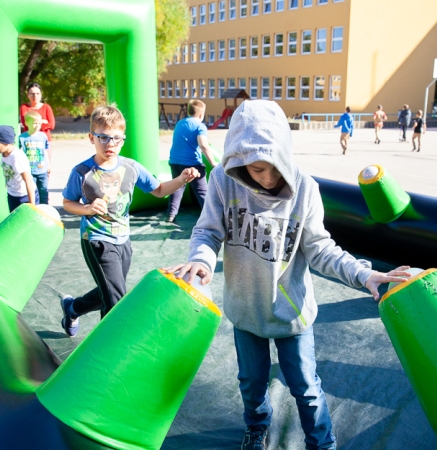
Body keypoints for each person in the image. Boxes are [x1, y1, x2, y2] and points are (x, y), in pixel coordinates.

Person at [164, 100, 411, 450]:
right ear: (239, 162)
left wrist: (363, 274)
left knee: (306, 387)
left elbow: (321, 249)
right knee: (251, 383)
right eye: (255, 169)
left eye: (272, 168)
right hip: (246, 310)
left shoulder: (306, 189)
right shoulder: (223, 180)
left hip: (292, 313)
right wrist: (201, 260)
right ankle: (257, 427)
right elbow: (207, 232)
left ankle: (321, 442)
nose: (266, 178)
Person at [58, 104, 200, 337]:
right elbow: (67, 202)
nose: (110, 144)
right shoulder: (82, 172)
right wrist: (86, 208)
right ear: (91, 137)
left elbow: (160, 190)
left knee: (111, 290)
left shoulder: (131, 167)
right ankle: (107, 353)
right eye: (103, 138)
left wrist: (182, 179)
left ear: (123, 139)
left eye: (116, 138)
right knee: (115, 301)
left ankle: (73, 308)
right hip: (97, 240)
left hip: (123, 240)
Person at [166, 99, 218, 223]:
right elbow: (203, 145)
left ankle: (171, 215)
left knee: (176, 188)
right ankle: (211, 217)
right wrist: (213, 162)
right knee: (202, 191)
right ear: (201, 114)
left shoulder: (180, 123)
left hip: (175, 161)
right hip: (192, 164)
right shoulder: (200, 126)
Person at [0, 125, 38, 212]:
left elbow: (28, 181)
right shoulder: (4, 153)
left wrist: (32, 205)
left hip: (24, 196)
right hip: (12, 194)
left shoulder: (17, 157)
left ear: (6, 142)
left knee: (27, 222)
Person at [19, 110, 51, 205]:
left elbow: (44, 151)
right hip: (29, 171)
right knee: (32, 192)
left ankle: (44, 210)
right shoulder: (22, 138)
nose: (37, 126)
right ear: (27, 123)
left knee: (43, 191)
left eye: (39, 123)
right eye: (34, 123)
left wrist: (48, 165)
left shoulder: (43, 136)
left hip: (42, 170)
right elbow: (20, 154)